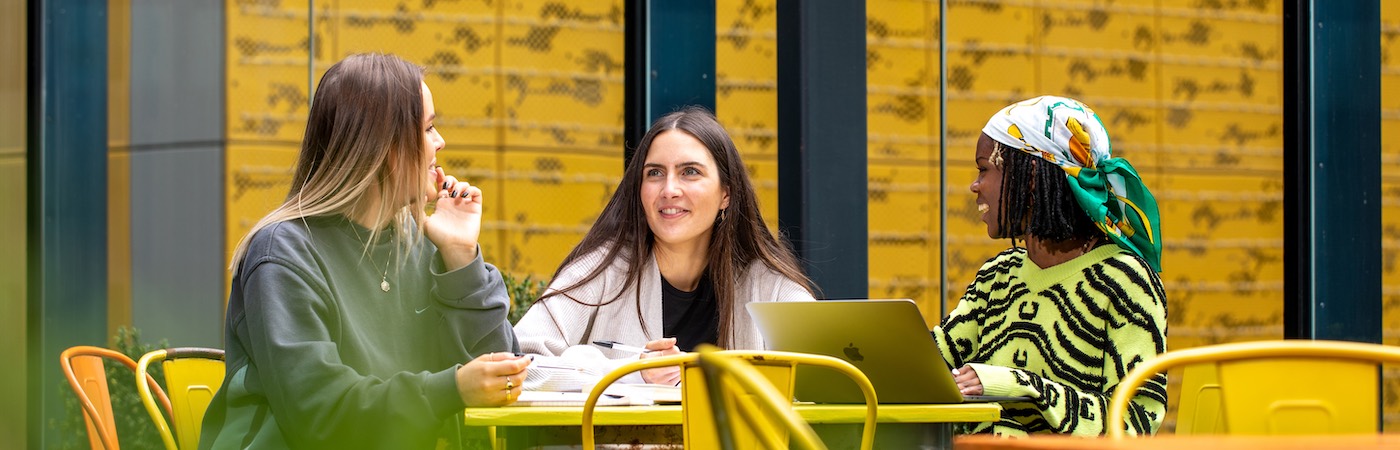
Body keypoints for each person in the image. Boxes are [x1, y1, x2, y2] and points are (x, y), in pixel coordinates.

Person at [199, 53, 529, 450]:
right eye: (428, 128)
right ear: (383, 147)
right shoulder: (283, 254)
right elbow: (318, 414)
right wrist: (448, 390)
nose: (440, 142)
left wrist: (462, 256)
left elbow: (503, 378)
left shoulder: (426, 245)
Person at [513, 107, 815, 386]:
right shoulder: (602, 270)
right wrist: (633, 373)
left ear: (727, 194)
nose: (669, 189)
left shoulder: (768, 285)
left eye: (690, 172)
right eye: (655, 173)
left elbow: (830, 367)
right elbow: (519, 365)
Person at [935, 95, 1167, 436]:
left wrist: (1022, 386)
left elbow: (1136, 421)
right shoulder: (998, 275)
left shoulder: (1124, 280)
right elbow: (931, 362)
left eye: (984, 169)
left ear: (1029, 178)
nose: (975, 186)